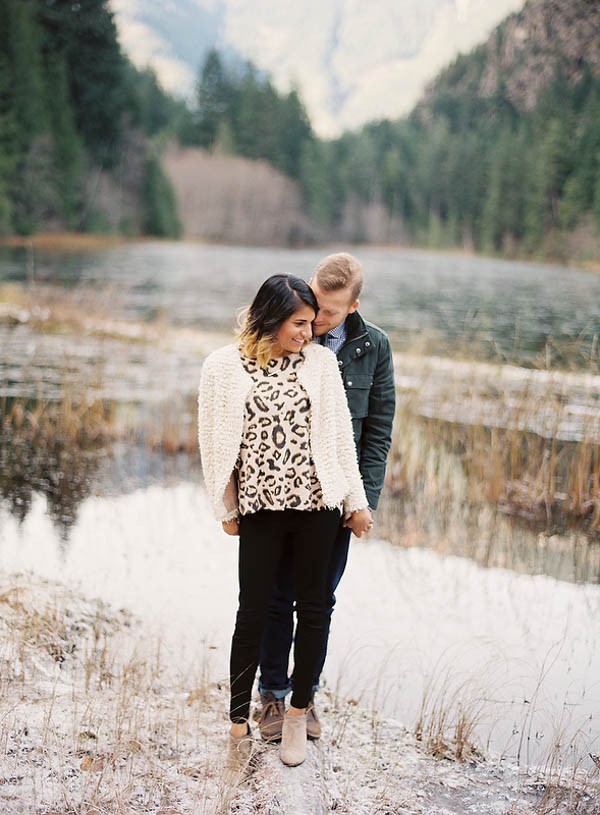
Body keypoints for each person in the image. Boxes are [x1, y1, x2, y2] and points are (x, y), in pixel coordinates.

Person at [197, 273, 371, 768]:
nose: (308, 332)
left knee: (313, 609)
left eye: (312, 322)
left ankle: (297, 713)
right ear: (271, 318)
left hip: (317, 508)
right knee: (251, 613)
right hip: (260, 512)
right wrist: (226, 508)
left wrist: (356, 502)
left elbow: (340, 442)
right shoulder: (223, 367)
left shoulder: (320, 364)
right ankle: (237, 722)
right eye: (299, 323)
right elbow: (214, 445)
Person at [257, 252, 396, 741]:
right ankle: (270, 693)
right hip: (280, 490)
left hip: (337, 496)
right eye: (315, 302)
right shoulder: (289, 330)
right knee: (275, 594)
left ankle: (305, 695)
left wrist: (365, 501)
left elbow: (377, 432)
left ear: (354, 305)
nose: (317, 318)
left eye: (331, 312)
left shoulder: (373, 347)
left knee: (319, 599)